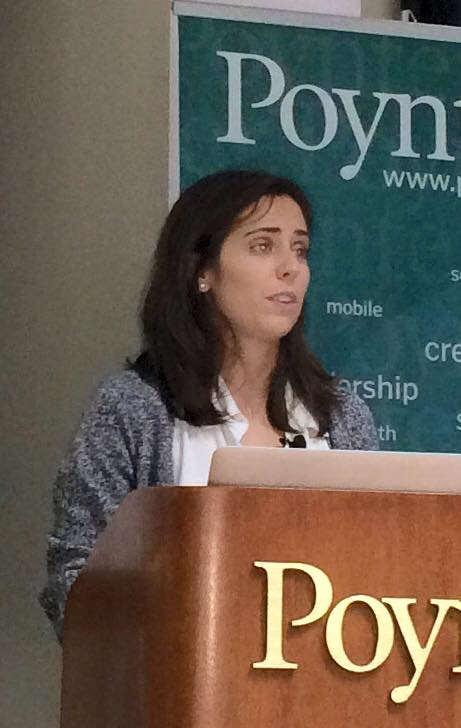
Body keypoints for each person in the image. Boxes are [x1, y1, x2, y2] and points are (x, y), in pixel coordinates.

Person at [39, 170, 378, 640]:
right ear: (202, 271)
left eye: (300, 250)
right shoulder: (132, 410)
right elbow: (75, 585)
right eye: (263, 246)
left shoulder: (340, 416)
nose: (290, 268)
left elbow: (378, 575)